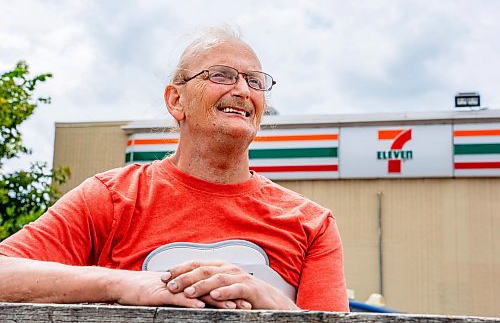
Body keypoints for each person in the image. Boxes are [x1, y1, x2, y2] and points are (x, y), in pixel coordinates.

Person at [0, 27, 348, 312]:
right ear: (176, 101)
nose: (242, 90)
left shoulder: (310, 223)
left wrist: (273, 303)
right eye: (222, 75)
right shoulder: (112, 198)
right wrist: (122, 285)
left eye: (255, 81)